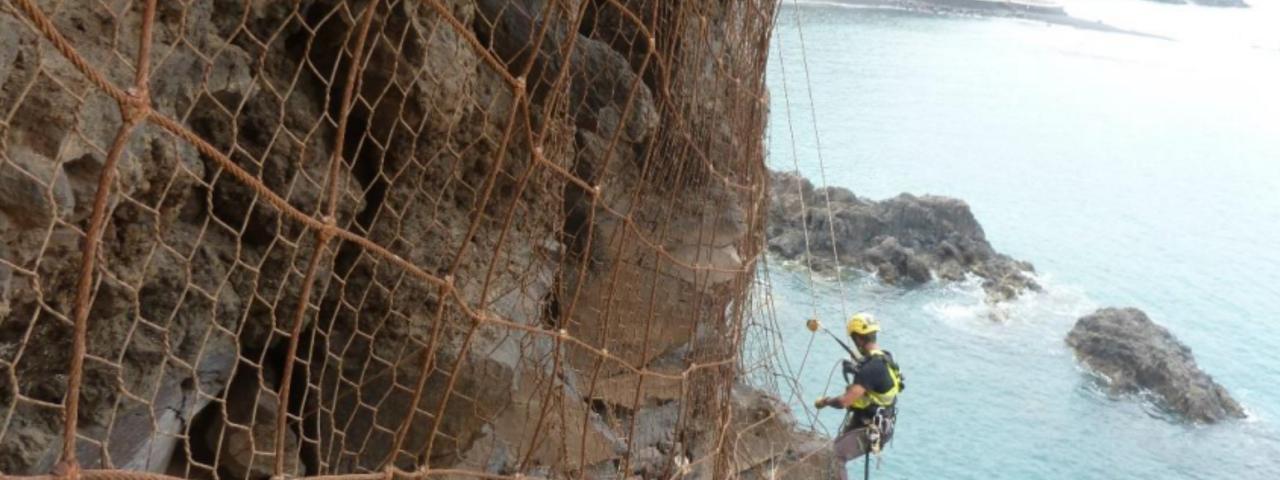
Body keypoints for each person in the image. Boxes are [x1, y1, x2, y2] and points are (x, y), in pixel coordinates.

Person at [813, 313, 902, 480]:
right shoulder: (885, 357)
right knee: (833, 451)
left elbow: (844, 401)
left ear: (859, 339)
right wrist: (858, 366)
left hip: (873, 428)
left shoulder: (870, 369)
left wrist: (825, 402)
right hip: (876, 421)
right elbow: (875, 380)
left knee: (835, 455)